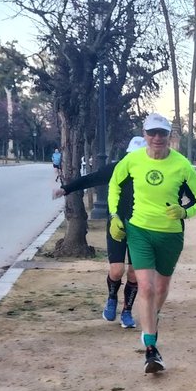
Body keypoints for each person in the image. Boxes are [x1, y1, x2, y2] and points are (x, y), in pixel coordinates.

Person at [108, 112, 196, 374]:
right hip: (139, 230)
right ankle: (151, 348)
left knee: (161, 288)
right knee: (146, 287)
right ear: (145, 135)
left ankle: (153, 314)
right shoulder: (132, 160)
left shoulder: (182, 165)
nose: (157, 138)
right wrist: (115, 215)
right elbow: (114, 186)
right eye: (152, 133)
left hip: (170, 235)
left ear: (169, 136)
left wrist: (184, 212)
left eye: (162, 133)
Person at [54, 136, 142, 329]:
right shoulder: (117, 168)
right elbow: (91, 179)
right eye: (131, 156)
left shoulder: (150, 173)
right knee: (117, 270)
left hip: (141, 228)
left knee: (134, 274)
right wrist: (66, 189)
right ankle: (112, 299)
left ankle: (127, 311)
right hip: (117, 225)